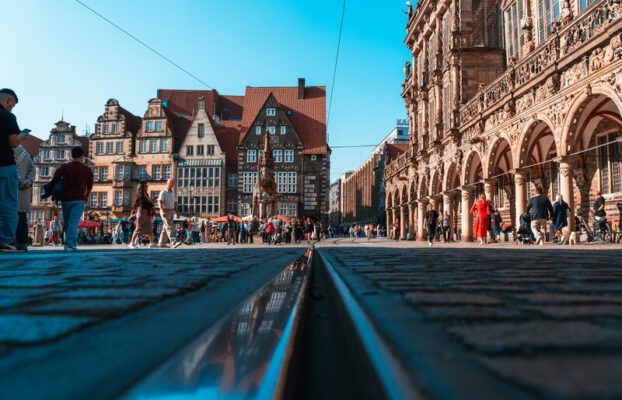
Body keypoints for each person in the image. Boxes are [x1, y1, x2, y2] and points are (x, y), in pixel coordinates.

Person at [49, 146, 93, 251]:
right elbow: (90, 186)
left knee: (68, 222)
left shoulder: (65, 167)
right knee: (73, 222)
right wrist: (86, 196)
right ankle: (70, 244)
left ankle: (68, 243)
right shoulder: (87, 169)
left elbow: (55, 177)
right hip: (79, 200)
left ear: (72, 155)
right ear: (82, 156)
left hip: (66, 199)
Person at [0, 88, 21, 251]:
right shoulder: (7, 116)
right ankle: (5, 240)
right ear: (8, 101)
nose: (11, 108)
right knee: (8, 204)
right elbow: (13, 142)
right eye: (12, 105)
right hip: (5, 165)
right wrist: (20, 138)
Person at [13, 132, 35, 251]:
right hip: (23, 190)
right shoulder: (24, 151)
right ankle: (21, 243)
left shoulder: (12, 150)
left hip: (12, 189)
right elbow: (33, 169)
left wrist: (24, 182)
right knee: (21, 217)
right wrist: (27, 181)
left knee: (14, 216)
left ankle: (12, 242)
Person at [129, 182, 155, 248]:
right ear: (142, 187)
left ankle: (152, 243)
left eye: (147, 186)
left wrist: (151, 202)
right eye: (145, 186)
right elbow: (144, 204)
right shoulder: (140, 196)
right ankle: (131, 243)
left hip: (147, 213)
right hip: (141, 213)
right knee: (138, 228)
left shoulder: (147, 194)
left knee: (150, 228)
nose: (147, 187)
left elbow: (150, 204)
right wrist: (151, 201)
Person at [158, 178, 180, 248]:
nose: (172, 184)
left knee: (165, 227)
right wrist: (162, 211)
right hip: (165, 210)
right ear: (167, 183)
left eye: (172, 183)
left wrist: (177, 211)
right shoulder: (163, 192)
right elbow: (160, 202)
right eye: (170, 183)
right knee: (169, 226)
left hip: (171, 211)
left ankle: (161, 243)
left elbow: (175, 202)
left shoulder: (173, 192)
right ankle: (173, 242)